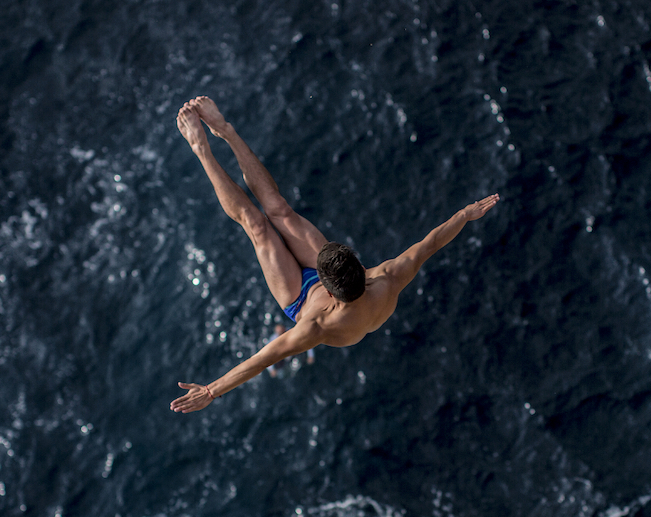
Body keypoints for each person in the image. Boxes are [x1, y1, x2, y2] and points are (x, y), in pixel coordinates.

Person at [169, 96, 499, 413]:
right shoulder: (389, 277)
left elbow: (262, 359)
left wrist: (211, 390)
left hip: (298, 297)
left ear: (328, 289)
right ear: (361, 266)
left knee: (256, 226)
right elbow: (431, 243)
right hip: (338, 284)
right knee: (279, 210)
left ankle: (202, 149)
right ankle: (226, 130)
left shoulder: (316, 326)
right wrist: (464, 215)